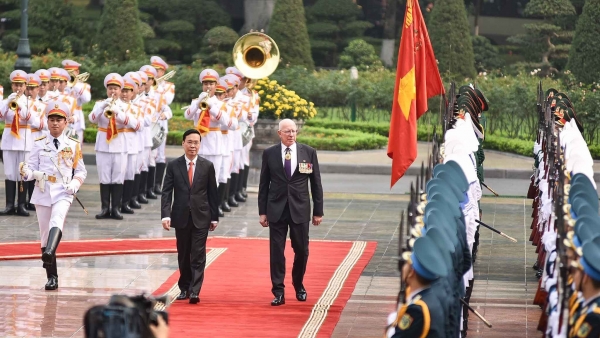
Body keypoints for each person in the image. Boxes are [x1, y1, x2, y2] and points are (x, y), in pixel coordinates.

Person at [19, 101, 86, 290]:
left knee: (57, 220)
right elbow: (31, 168)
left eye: (59, 120)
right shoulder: (39, 143)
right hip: (42, 190)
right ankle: (52, 277)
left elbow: (81, 172)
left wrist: (74, 184)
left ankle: (48, 252)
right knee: (44, 234)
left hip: (63, 191)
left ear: (66, 122)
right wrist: (26, 173)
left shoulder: (73, 144)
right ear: (47, 122)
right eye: (52, 120)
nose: (55, 123)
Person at [258, 118, 324, 306]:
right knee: (277, 251)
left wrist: (318, 211)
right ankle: (278, 290)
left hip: (300, 209)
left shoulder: (308, 152)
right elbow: (263, 184)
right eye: (287, 131)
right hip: (276, 209)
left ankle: (298, 283)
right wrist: (262, 211)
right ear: (279, 133)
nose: (291, 134)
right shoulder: (269, 153)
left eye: (294, 131)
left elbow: (316, 183)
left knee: (302, 250)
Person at [161, 129, 219, 304]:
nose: (193, 146)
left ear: (200, 145)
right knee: (184, 254)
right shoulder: (173, 165)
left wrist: (214, 217)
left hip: (201, 216)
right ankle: (184, 287)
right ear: (183, 143)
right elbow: (166, 192)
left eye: (196, 142)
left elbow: (212, 193)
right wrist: (165, 215)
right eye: (190, 142)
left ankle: (195, 290)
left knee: (198, 254)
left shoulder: (207, 166)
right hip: (180, 216)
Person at [0, 70, 40, 216]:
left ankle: (21, 205)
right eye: (15, 85)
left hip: (24, 140)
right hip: (9, 140)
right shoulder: (7, 101)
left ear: (25, 86)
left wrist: (21, 106)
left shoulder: (30, 102)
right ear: (12, 85)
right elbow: (0, 116)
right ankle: (9, 205)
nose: (18, 88)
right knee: (10, 173)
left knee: (23, 173)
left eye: (20, 85)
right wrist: (7, 103)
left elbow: (34, 121)